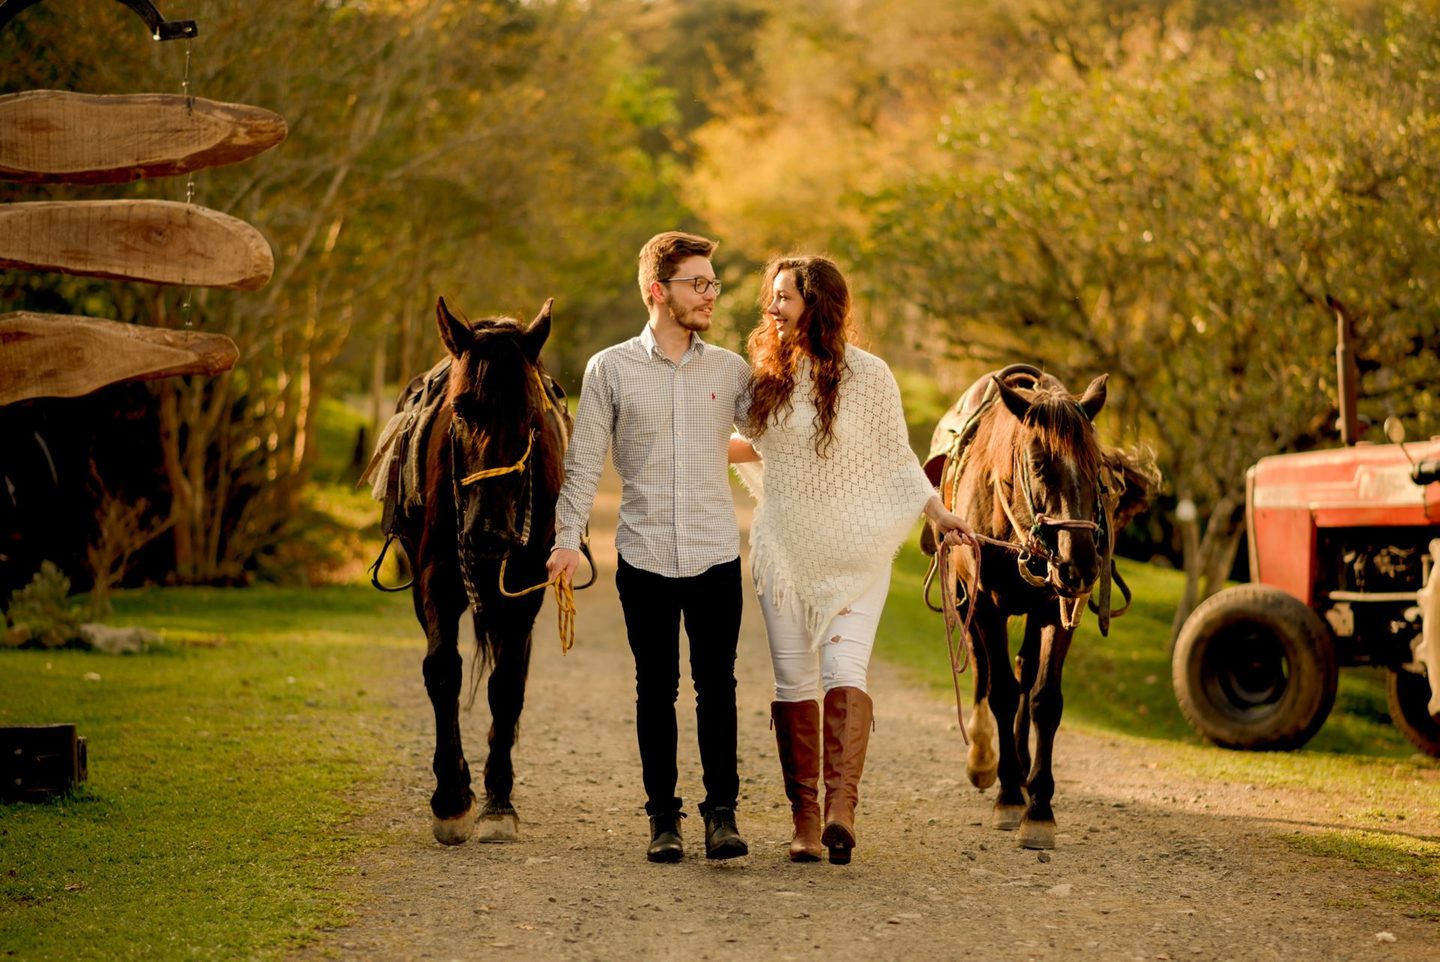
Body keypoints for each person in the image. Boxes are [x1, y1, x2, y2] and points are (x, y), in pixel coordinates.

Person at [729, 254, 973, 865]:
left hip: (858, 555)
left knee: (845, 672)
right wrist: (680, 440)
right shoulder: (766, 378)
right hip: (784, 552)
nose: (772, 307)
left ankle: (841, 809)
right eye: (772, 296)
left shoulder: (871, 376)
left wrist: (938, 513)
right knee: (792, 682)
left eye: (784, 296)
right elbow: (753, 446)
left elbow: (897, 456)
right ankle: (805, 822)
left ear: (817, 304)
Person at [547, 231, 753, 863]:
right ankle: (663, 820)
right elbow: (584, 463)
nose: (711, 294)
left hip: (715, 553)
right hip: (644, 556)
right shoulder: (609, 368)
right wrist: (567, 541)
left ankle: (722, 815)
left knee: (718, 687)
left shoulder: (731, 370)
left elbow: (774, 437)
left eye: (714, 283)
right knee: (655, 690)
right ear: (659, 291)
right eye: (699, 283)